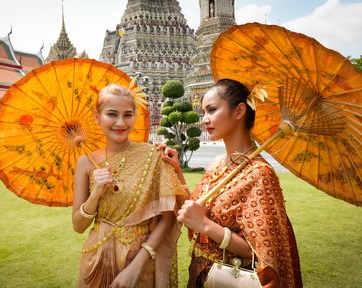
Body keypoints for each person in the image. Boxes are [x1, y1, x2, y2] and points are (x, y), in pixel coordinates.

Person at [156, 78, 302, 287]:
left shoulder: (260, 174)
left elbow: (262, 252)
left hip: (228, 279)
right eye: (204, 112)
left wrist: (205, 225)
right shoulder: (217, 163)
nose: (204, 119)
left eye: (212, 110)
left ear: (239, 111)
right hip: (199, 275)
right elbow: (196, 210)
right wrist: (177, 169)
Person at [71, 83, 188, 288]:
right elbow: (78, 226)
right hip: (96, 256)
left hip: (141, 257)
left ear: (135, 116)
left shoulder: (151, 156)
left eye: (128, 114)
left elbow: (168, 218)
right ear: (97, 117)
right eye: (112, 114)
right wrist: (95, 194)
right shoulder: (85, 163)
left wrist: (137, 265)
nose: (120, 122)